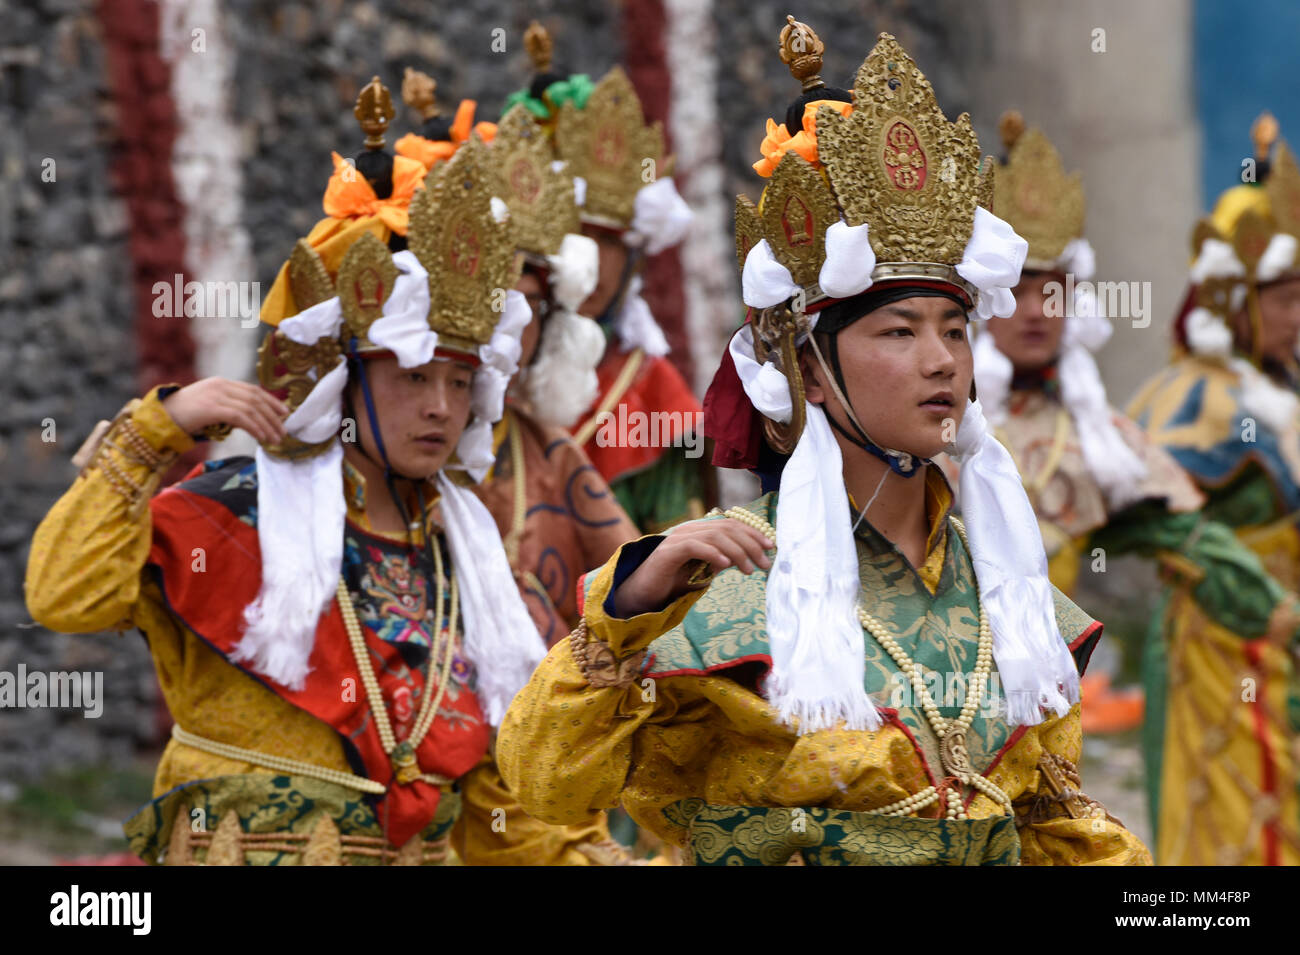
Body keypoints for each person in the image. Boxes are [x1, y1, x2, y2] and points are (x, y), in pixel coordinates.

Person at [495, 23, 1151, 865]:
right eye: (899, 330)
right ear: (806, 365)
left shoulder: (1015, 601)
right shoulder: (723, 591)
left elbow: (1061, 831)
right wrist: (621, 618)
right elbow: (546, 786)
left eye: (954, 327)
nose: (940, 359)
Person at [24, 130, 612, 865]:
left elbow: (508, 819)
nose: (439, 406)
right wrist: (157, 428)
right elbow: (63, 594)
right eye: (412, 376)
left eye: (459, 382)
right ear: (347, 380)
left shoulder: (480, 578)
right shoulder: (232, 516)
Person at [966, 115, 1298, 750]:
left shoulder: (1099, 439)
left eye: (1054, 291)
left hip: (1036, 712)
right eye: (1018, 289)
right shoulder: (929, 429)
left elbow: (1186, 537)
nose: (1038, 311)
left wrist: (1279, 616)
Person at [1127, 113, 1300, 865]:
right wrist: (1214, 558)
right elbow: (1129, 507)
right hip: (1221, 647)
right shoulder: (1191, 399)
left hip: (1288, 639)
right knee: (1235, 830)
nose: (1299, 315)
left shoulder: (1285, 387)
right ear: (1234, 302)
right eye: (1284, 299)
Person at [503, 21, 707, 532]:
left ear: (636, 252)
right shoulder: (475, 378)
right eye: (575, 234)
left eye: (610, 241)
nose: (593, 261)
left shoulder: (653, 396)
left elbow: (677, 561)